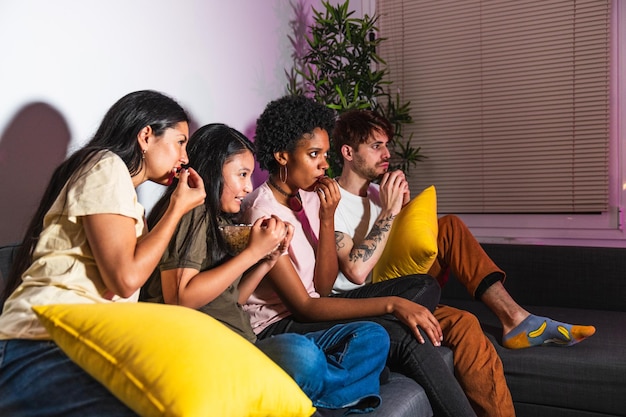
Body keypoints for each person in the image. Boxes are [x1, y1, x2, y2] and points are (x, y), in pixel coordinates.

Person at [240, 94, 481, 417]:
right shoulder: (263, 213)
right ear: (282, 156)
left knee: (424, 286)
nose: (325, 164)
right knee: (405, 338)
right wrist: (393, 305)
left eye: (325, 155)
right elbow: (305, 306)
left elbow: (323, 287)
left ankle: (373, 354)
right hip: (282, 325)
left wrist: (327, 217)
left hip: (310, 308)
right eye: (314, 155)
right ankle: (377, 356)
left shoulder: (310, 198)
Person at [139, 123, 390, 412]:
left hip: (249, 343)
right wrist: (251, 254)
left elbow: (233, 300)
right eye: (242, 175)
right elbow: (180, 298)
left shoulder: (221, 220)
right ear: (213, 170)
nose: (247, 187)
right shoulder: (191, 214)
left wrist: (266, 260)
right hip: (228, 352)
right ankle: (344, 394)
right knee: (303, 356)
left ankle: (332, 397)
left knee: (374, 336)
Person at [0, 90, 206, 416]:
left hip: (67, 345)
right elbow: (126, 279)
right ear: (146, 135)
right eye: (180, 142)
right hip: (38, 343)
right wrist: (177, 209)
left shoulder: (123, 193)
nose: (185, 157)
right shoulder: (106, 166)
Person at [331, 109, 596, 350]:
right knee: (463, 316)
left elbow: (404, 249)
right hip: (367, 298)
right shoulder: (331, 199)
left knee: (450, 231)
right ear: (348, 153)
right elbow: (355, 271)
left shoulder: (380, 193)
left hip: (404, 283)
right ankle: (516, 320)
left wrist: (403, 211)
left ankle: (515, 320)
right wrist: (390, 212)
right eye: (376, 146)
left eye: (386, 145)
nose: (387, 154)